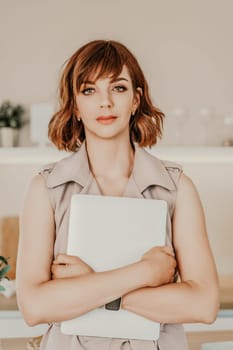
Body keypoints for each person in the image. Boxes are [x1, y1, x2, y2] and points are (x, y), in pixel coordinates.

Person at [16, 40, 219, 350]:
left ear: (136, 100)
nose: (105, 102)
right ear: (75, 106)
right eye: (89, 90)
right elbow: (35, 307)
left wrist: (90, 288)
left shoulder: (177, 188)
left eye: (118, 88)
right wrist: (146, 272)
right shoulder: (46, 189)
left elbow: (203, 304)